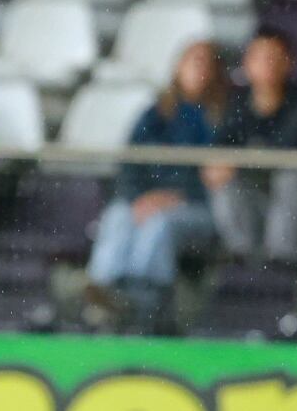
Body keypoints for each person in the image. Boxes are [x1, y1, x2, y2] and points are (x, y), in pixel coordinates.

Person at [85, 39, 228, 328]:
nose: (198, 70)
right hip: (147, 202)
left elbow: (216, 179)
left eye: (205, 63)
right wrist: (139, 198)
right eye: (192, 61)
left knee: (159, 224)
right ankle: (102, 291)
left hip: (198, 208)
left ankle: (142, 300)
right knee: (119, 215)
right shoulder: (156, 114)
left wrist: (172, 198)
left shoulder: (222, 118)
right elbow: (131, 164)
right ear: (178, 67)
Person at [204, 27, 297, 265]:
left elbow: (287, 152)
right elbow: (221, 150)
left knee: (291, 178)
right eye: (260, 57)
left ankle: (279, 265)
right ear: (246, 63)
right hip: (257, 199)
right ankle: (242, 261)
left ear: (289, 62)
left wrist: (239, 162)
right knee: (223, 181)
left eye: (275, 57)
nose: (268, 64)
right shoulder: (236, 105)